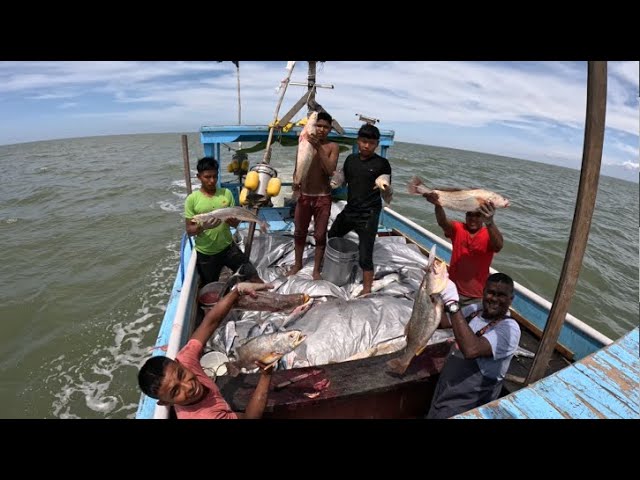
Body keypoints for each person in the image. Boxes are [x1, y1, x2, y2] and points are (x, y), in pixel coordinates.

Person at [137, 282, 276, 419]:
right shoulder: (204, 416)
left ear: (179, 363)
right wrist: (266, 375)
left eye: (181, 374)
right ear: (166, 403)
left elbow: (210, 322)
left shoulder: (186, 358)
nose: (188, 386)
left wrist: (237, 291)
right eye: (175, 391)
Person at [426, 272, 521, 419]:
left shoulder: (509, 330)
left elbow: (471, 350)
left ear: (511, 299)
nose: (494, 299)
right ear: (483, 292)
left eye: (501, 295)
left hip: (468, 402)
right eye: (490, 293)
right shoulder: (475, 310)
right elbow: (445, 323)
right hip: (446, 388)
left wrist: (452, 304)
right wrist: (434, 297)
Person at [327, 123, 391, 295]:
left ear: (377, 144)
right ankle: (337, 264)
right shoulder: (351, 159)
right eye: (363, 141)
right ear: (358, 141)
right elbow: (342, 177)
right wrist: (334, 181)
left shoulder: (382, 163)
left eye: (371, 143)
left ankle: (367, 288)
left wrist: (386, 187)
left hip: (368, 214)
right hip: (351, 209)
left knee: (365, 253)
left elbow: (386, 181)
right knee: (332, 234)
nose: (366, 146)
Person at [185, 156, 262, 286]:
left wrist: (233, 222)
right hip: (206, 253)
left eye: (215, 176)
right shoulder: (192, 199)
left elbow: (236, 223)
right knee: (211, 287)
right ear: (199, 177)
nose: (212, 180)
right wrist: (203, 227)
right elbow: (189, 230)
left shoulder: (226, 193)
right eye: (207, 177)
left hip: (228, 247)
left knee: (253, 276)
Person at [422, 193, 504, 306]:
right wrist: (438, 205)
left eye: (477, 215)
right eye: (470, 215)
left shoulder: (489, 233)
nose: (473, 219)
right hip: (451, 289)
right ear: (465, 216)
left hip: (476, 295)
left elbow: (498, 246)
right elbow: (442, 222)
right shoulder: (459, 228)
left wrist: (490, 222)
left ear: (483, 218)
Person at [288, 111, 340, 280]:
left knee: (319, 234)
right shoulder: (304, 141)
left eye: (326, 127)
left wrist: (318, 147)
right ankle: (297, 264)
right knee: (299, 232)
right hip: (304, 196)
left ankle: (316, 269)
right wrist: (295, 182)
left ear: (330, 129)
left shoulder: (332, 147)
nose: (322, 130)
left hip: (322, 197)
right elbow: (298, 164)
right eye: (319, 125)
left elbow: (330, 170)